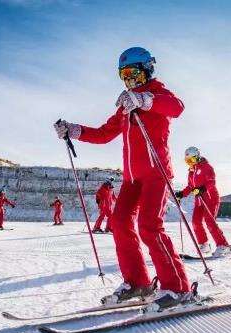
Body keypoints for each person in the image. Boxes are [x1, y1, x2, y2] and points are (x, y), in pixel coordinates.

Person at [54, 47, 192, 311]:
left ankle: (177, 288)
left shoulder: (158, 93)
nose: (129, 80)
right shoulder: (125, 105)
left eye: (133, 73)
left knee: (150, 227)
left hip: (156, 174)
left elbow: (177, 108)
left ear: (147, 70)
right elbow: (105, 133)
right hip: (132, 178)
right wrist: (75, 130)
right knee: (119, 223)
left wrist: (144, 100)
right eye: (123, 75)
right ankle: (138, 282)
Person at [175, 147, 231, 257]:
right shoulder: (191, 172)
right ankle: (204, 245)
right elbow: (190, 187)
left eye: (191, 160)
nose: (189, 163)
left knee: (210, 221)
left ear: (197, 157)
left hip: (211, 198)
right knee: (196, 222)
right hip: (199, 200)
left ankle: (224, 246)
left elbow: (211, 182)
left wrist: (202, 189)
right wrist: (181, 194)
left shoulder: (206, 167)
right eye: (187, 161)